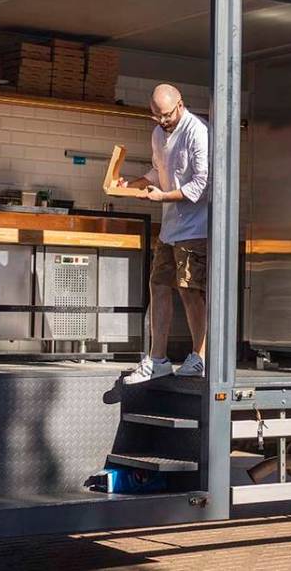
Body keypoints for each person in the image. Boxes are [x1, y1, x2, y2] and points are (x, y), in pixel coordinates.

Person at [122, 84, 209, 383]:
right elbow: (156, 172)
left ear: (180, 105)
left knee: (190, 291)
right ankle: (157, 359)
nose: (162, 121)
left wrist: (161, 197)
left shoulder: (198, 132)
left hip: (196, 227)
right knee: (158, 285)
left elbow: (201, 186)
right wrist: (130, 185)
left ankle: (200, 357)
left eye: (167, 115)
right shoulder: (159, 134)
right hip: (170, 229)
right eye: (156, 116)